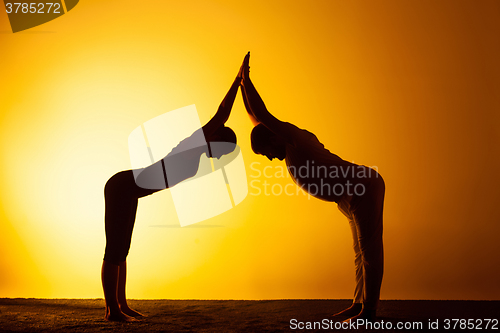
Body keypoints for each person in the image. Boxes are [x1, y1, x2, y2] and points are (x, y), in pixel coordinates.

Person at [239, 53, 385, 321]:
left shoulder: (294, 139)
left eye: (267, 152)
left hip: (361, 186)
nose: (271, 159)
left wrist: (247, 81)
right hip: (348, 198)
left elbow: (262, 114)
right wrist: (240, 85)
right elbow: (255, 118)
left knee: (369, 252)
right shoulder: (281, 141)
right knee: (359, 254)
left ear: (274, 136)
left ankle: (370, 311)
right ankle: (358, 304)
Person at [101, 71, 242, 322]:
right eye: (223, 151)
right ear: (216, 138)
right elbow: (221, 113)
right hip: (121, 187)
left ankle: (121, 305)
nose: (220, 157)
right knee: (114, 250)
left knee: (123, 250)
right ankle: (112, 310)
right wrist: (237, 82)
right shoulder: (193, 145)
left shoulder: (195, 156)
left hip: (130, 191)